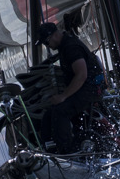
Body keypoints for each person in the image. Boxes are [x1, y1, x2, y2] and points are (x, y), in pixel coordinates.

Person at [36, 22, 103, 153]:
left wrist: (63, 96)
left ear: (54, 35)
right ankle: (49, 149)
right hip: (83, 88)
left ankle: (66, 152)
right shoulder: (64, 46)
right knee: (49, 115)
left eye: (46, 42)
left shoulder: (71, 48)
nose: (47, 46)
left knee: (61, 111)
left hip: (90, 89)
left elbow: (81, 74)